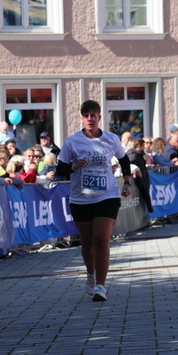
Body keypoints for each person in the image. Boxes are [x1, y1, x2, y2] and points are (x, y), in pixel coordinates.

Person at [56, 100, 132, 302]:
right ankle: (91, 273)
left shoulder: (111, 139)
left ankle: (101, 286)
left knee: (101, 239)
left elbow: (124, 159)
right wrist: (73, 166)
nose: (90, 118)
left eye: (93, 115)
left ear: (99, 117)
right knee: (87, 243)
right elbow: (60, 168)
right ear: (82, 119)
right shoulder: (73, 141)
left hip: (107, 196)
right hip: (81, 199)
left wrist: (127, 182)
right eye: (86, 115)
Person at [126, 138, 153, 213]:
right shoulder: (133, 155)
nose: (144, 147)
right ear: (139, 146)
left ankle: (148, 212)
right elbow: (130, 165)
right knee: (143, 198)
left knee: (146, 198)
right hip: (139, 180)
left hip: (143, 178)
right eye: (143, 145)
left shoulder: (140, 154)